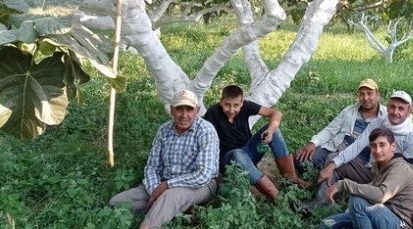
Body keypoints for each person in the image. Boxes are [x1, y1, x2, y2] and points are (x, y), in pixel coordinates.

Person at [109, 89, 219, 229]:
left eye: (189, 109)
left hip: (200, 185)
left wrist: (166, 186)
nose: (184, 115)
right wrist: (155, 189)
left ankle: (148, 226)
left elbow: (203, 175)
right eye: (179, 109)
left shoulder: (205, 131)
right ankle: (183, 210)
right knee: (116, 202)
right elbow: (152, 166)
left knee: (171, 195)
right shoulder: (164, 130)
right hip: (164, 182)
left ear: (197, 110)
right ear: (172, 110)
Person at [309, 90, 413, 210]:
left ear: (409, 112)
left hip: (390, 182)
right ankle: (319, 204)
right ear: (387, 107)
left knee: (367, 197)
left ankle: (348, 199)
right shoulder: (378, 122)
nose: (395, 112)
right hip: (371, 171)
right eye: (392, 107)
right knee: (333, 159)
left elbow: (405, 169)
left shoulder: (412, 136)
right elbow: (357, 145)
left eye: (401, 109)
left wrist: (368, 188)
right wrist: (332, 165)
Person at [204, 85, 310, 201]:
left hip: (249, 153)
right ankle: (276, 197)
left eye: (236, 105)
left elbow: (276, 113)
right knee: (237, 153)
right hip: (229, 161)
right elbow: (202, 135)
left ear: (242, 103)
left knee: (274, 131)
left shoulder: (246, 106)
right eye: (227, 105)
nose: (231, 110)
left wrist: (270, 130)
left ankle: (291, 178)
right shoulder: (213, 113)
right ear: (221, 102)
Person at [319, 127, 413, 229]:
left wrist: (343, 184)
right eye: (373, 146)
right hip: (379, 216)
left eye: (382, 145)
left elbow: (381, 195)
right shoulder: (379, 166)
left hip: (400, 225)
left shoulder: (401, 168)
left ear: (393, 146)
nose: (378, 150)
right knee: (327, 223)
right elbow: (369, 189)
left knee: (357, 202)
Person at [295, 78, 387, 171]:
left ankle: (330, 171)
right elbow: (330, 130)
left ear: (377, 95)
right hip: (336, 148)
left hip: (357, 159)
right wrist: (313, 143)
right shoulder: (349, 111)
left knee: (336, 169)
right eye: (362, 94)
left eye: (369, 93)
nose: (365, 98)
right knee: (299, 159)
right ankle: (325, 168)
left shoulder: (385, 116)